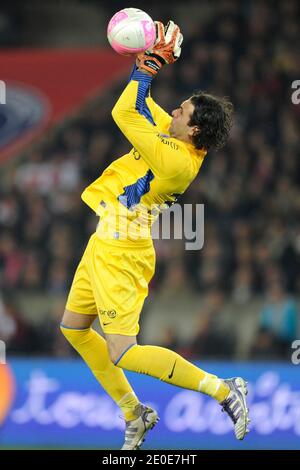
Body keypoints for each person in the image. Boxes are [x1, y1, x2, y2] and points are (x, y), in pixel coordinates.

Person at [60, 21, 249, 450]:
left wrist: (149, 66)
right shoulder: (177, 138)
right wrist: (145, 63)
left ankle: (224, 389)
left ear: (194, 130)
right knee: (74, 329)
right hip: (105, 239)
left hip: (122, 249)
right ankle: (135, 413)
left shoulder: (177, 162)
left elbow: (123, 113)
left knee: (123, 351)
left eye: (181, 112)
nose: (174, 113)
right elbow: (142, 105)